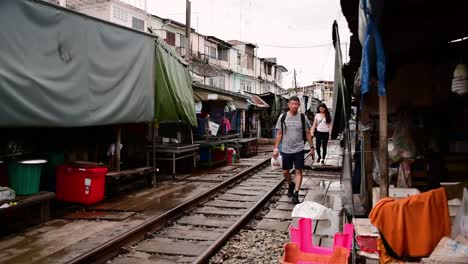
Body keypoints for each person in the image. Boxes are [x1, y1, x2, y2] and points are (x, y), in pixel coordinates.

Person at [273, 96, 314, 204]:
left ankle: (296, 193)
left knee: (298, 171)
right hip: (286, 149)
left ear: (299, 105)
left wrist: (312, 147)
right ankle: (290, 184)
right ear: (289, 105)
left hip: (299, 149)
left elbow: (308, 133)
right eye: (292, 104)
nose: (294, 106)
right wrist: (276, 148)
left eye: (296, 104)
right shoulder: (283, 117)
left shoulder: (302, 117)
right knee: (286, 172)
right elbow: (279, 134)